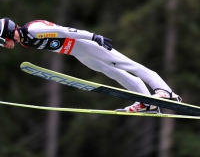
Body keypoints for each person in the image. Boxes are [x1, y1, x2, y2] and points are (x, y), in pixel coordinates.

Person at [0, 17, 181, 113]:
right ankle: (145, 101)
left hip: (86, 45)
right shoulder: (24, 40)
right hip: (76, 52)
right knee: (112, 72)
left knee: (127, 64)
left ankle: (165, 91)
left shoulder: (33, 30)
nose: (4, 45)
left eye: (3, 41)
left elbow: (66, 31)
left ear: (9, 33)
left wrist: (94, 37)